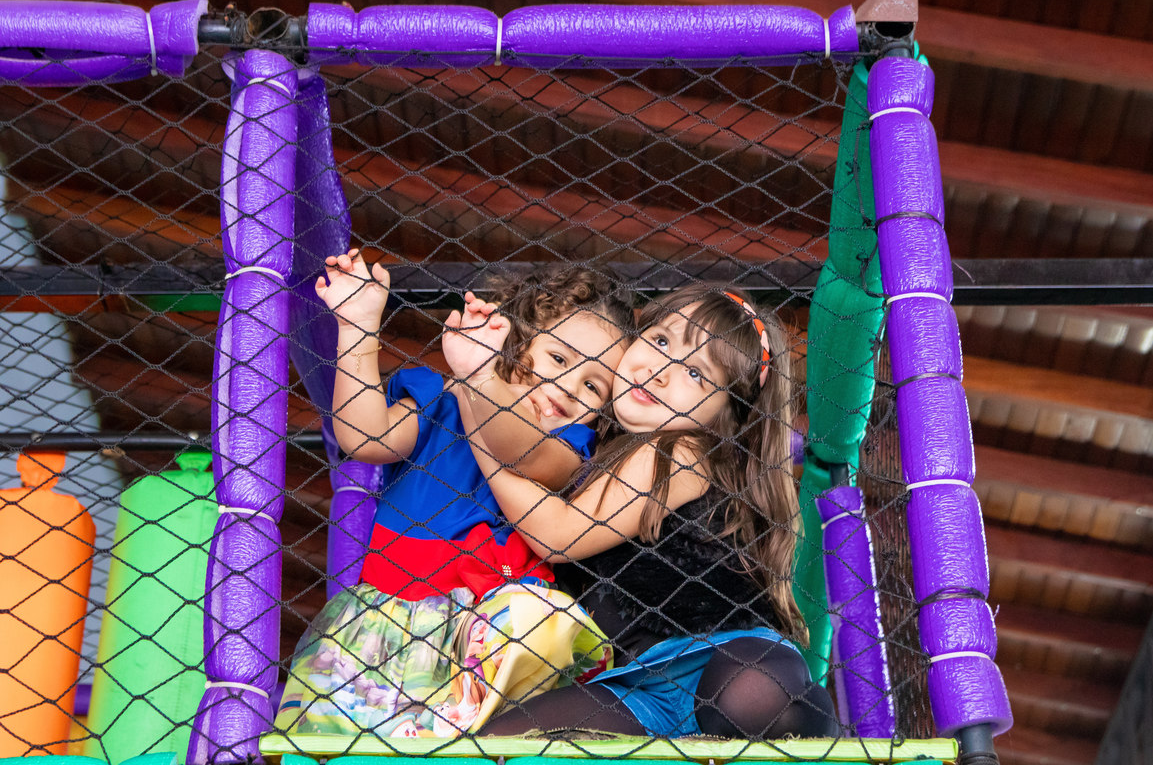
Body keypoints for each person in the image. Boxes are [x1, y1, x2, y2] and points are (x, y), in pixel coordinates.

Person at [274, 250, 634, 738]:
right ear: (516, 336)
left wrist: (481, 378)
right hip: (393, 627)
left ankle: (474, 730)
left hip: (493, 640)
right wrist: (358, 326)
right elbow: (364, 438)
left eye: (594, 386)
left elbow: (519, 453)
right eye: (557, 358)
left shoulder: (570, 447)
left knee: (542, 626)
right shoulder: (438, 401)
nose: (568, 387)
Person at [457, 282, 838, 739]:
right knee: (500, 742)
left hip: (726, 657)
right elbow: (531, 455)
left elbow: (557, 535)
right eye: (661, 341)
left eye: (697, 374)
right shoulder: (592, 450)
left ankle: (802, 720)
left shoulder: (683, 450)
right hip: (640, 686)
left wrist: (472, 402)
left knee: (750, 696)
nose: (662, 370)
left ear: (724, 415)